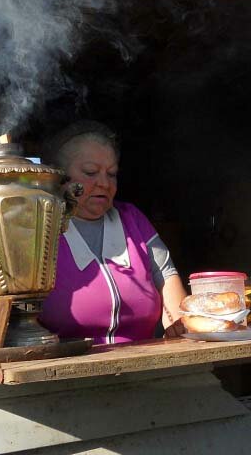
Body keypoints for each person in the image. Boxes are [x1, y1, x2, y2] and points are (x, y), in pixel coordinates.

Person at [39, 121, 187, 343]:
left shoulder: (132, 219)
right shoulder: (40, 228)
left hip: (144, 362)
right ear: (58, 178)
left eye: (112, 174)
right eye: (90, 172)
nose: (104, 183)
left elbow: (166, 276)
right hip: (68, 369)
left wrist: (179, 323)